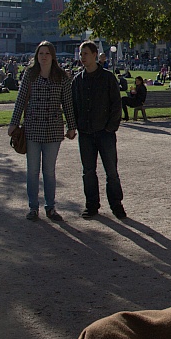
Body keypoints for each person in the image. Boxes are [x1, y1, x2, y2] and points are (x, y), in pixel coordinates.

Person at [13, 42, 76, 221]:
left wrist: (71, 126)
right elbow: (21, 100)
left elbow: (67, 103)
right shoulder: (30, 74)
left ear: (53, 56)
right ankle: (33, 207)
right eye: (41, 53)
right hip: (33, 127)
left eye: (47, 53)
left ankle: (51, 207)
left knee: (49, 171)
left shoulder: (62, 77)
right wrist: (14, 123)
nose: (44, 56)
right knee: (32, 171)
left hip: (53, 129)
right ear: (36, 56)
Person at [69, 42, 127, 219]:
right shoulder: (77, 80)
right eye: (81, 54)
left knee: (111, 171)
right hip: (86, 132)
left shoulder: (107, 78)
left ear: (95, 55)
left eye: (86, 53)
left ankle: (116, 205)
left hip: (104, 132)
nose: (82, 57)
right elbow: (73, 105)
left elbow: (116, 104)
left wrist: (110, 128)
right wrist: (75, 125)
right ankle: (91, 205)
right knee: (88, 171)